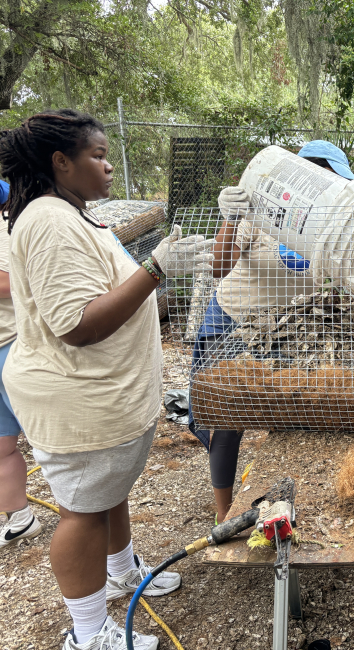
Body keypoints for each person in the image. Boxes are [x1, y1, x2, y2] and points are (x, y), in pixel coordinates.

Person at [0, 110, 214, 650]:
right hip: (77, 399)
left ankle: (120, 572)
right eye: (97, 155)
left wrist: (153, 272)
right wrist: (157, 270)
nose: (109, 166)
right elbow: (76, 324)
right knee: (82, 511)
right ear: (60, 162)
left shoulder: (72, 213)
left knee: (106, 492)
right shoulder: (47, 221)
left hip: (104, 397)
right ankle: (88, 633)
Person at [190, 140, 354, 524]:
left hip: (286, 331)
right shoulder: (262, 210)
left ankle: (286, 502)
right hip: (234, 320)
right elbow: (219, 266)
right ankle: (223, 515)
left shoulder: (331, 224)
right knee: (228, 417)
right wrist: (231, 218)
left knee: (294, 411)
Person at [0, 179, 43, 551]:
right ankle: (19, 516)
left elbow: (11, 281)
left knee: (46, 436)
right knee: (1, 444)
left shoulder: (7, 223)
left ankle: (84, 512)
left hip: (12, 344)